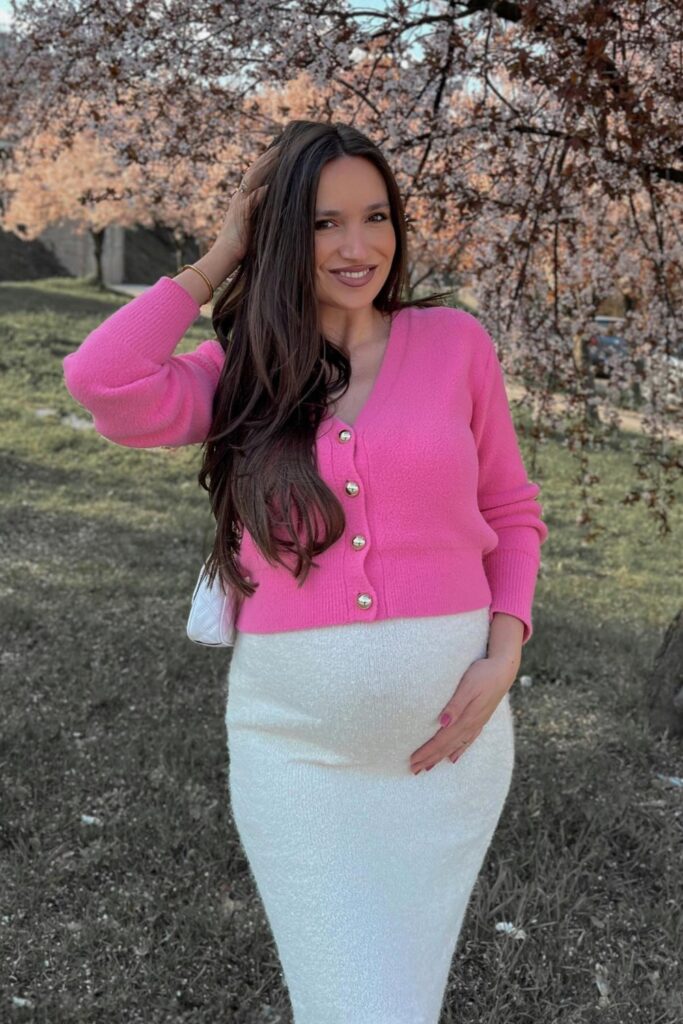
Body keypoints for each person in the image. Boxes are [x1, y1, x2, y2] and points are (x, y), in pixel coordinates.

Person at [63, 119, 549, 1024]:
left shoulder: (454, 346)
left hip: (447, 764)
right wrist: (218, 256)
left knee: (403, 1002)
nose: (358, 247)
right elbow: (103, 381)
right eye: (324, 223)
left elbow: (511, 512)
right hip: (297, 761)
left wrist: (504, 651)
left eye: (375, 218)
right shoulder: (238, 369)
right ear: (280, 230)